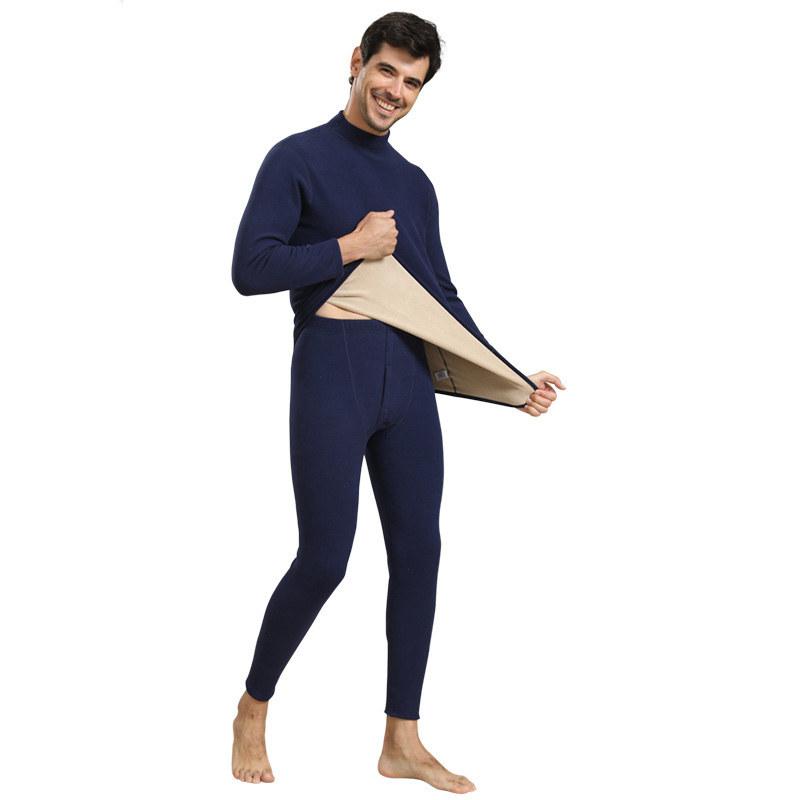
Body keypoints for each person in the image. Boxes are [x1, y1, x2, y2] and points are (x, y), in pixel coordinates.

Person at [230, 11, 565, 792]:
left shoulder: (415, 185)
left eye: (413, 83)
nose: (396, 91)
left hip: (409, 382)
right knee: (325, 558)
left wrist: (511, 381)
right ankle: (252, 706)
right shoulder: (297, 157)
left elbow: (441, 296)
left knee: (420, 552)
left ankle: (401, 741)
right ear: (357, 62)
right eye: (387, 71)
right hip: (334, 370)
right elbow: (251, 268)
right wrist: (349, 246)